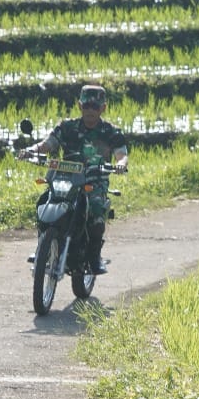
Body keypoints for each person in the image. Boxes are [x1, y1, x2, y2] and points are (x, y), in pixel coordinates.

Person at [18, 85, 129, 274]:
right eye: (86, 106)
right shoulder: (67, 127)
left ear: (103, 108)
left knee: (95, 211)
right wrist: (31, 151)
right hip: (66, 177)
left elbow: (121, 154)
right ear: (80, 105)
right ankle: (42, 246)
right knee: (44, 201)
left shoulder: (111, 132)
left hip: (94, 180)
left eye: (95, 106)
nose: (90, 110)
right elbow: (47, 144)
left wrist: (121, 164)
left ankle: (94, 257)